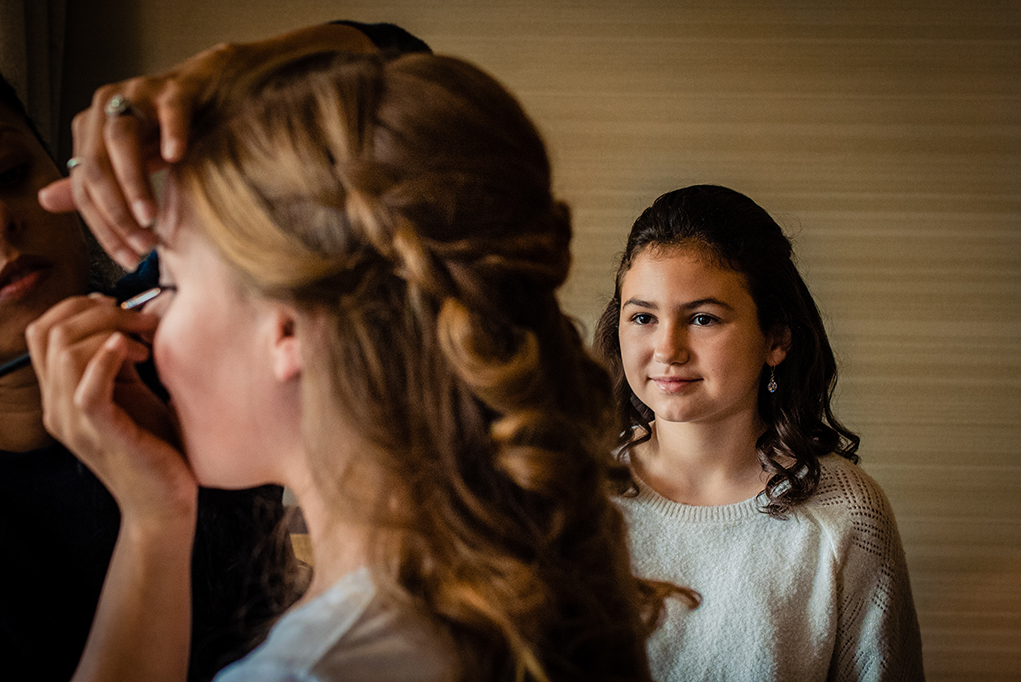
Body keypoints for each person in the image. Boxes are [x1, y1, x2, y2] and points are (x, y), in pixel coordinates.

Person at [28, 46, 680, 682]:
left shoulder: (306, 668)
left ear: (284, 326)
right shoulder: (511, 584)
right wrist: (156, 517)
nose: (142, 325)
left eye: (166, 285)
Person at [0, 68, 294, 681]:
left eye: (8, 176)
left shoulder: (179, 310)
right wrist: (155, 518)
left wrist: (219, 80)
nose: (1, 225)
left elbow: (398, 66)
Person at [594, 184, 925, 681]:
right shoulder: (577, 491)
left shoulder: (846, 515)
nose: (667, 349)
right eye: (643, 317)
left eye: (702, 318)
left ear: (776, 339)